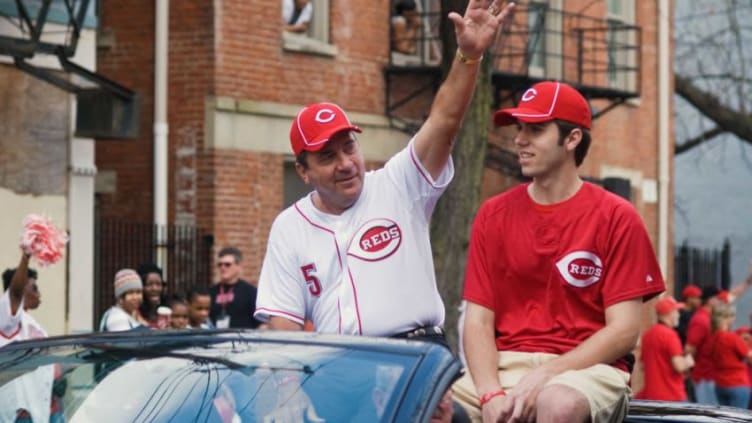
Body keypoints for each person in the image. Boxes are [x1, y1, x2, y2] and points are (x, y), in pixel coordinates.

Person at [255, 1, 515, 421]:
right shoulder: (288, 227)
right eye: (327, 156)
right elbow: (283, 327)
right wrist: (287, 397)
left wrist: (469, 56)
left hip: (415, 357)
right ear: (302, 171)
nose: (345, 163)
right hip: (336, 371)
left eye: (349, 147)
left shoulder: (399, 183)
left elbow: (444, 121)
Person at [454, 79, 666, 423]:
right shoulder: (493, 214)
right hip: (505, 364)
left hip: (588, 368)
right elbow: (478, 321)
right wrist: (490, 392)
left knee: (556, 404)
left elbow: (624, 330)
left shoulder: (617, 216)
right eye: (519, 128)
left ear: (572, 139)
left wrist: (547, 373)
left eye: (535, 130)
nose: (519, 139)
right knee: (429, 402)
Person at [635, 296, 694, 401]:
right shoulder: (670, 335)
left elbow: (642, 365)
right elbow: (679, 366)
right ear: (669, 313)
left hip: (651, 396)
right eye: (676, 311)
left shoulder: (648, 335)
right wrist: (688, 361)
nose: (678, 315)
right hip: (672, 396)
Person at [709, 302, 752, 408]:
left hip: (720, 384)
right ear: (727, 318)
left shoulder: (713, 337)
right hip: (737, 383)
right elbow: (749, 357)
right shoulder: (731, 338)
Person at [209, 247, 263, 329]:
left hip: (242, 339)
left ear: (238, 266)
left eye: (227, 265)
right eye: (220, 264)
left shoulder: (250, 292)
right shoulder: (211, 292)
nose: (222, 268)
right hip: (216, 339)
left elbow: (260, 323)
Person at [2, 257, 46, 340]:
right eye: (34, 289)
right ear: (21, 289)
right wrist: (25, 257)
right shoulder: (5, 316)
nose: (39, 295)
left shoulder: (33, 323)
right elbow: (16, 292)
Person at [137, 263, 167, 328]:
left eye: (158, 284)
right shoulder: (135, 313)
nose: (154, 288)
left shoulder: (167, 311)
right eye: (149, 284)